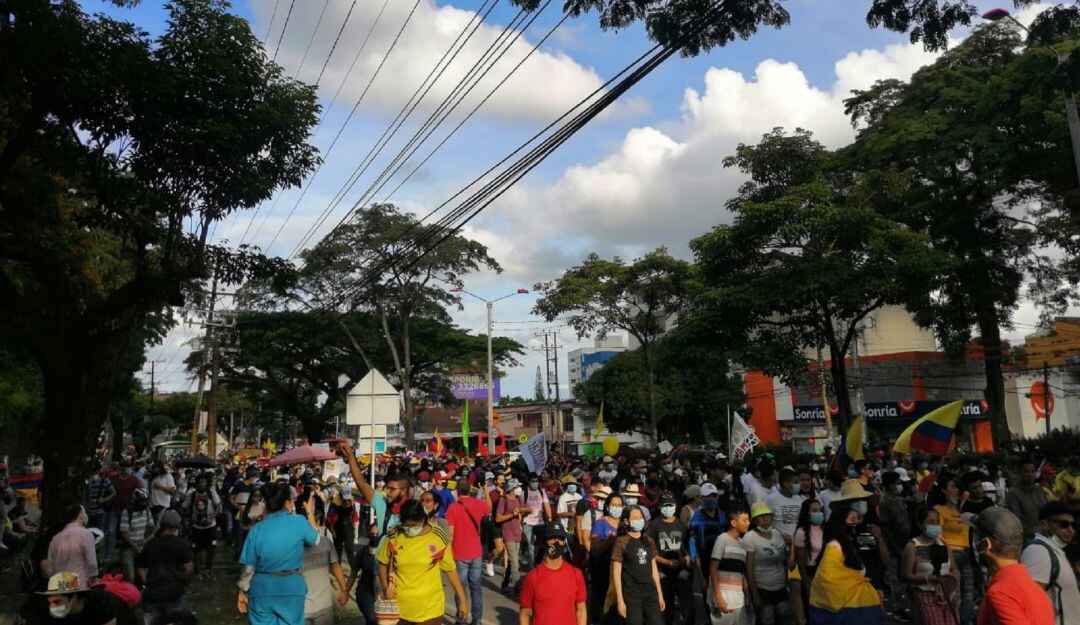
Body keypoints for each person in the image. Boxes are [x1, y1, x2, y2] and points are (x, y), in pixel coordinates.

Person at [236, 482, 321, 625]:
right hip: (292, 589)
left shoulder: (257, 529)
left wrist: (242, 592)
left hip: (261, 590)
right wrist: (309, 513)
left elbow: (248, 567)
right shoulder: (299, 522)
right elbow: (316, 539)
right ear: (287, 503)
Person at [376, 500, 468, 625]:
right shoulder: (394, 535)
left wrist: (462, 599)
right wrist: (385, 587)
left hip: (430, 610)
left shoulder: (438, 536)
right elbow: (382, 563)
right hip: (399, 610)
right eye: (406, 525)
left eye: (414, 525)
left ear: (422, 520)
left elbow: (450, 569)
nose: (410, 529)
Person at [971, 507, 1053, 625]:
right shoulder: (1039, 593)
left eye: (975, 537)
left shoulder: (1000, 594)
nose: (973, 542)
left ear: (986, 544)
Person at [808, 500, 883, 625]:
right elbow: (829, 581)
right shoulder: (835, 546)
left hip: (861, 606)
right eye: (852, 519)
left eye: (858, 518)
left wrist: (879, 538)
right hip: (847, 612)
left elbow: (874, 560)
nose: (856, 522)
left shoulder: (863, 535)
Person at [1019, 502, 1080, 625]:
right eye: (1064, 524)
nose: (1071, 530)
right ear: (1044, 524)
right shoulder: (1038, 551)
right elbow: (1031, 602)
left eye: (1073, 525)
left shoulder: (1054, 550)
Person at [519, 522, 587, 625]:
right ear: (544, 541)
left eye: (560, 538)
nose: (557, 541)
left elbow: (581, 610)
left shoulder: (576, 574)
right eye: (552, 537)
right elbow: (524, 614)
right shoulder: (533, 577)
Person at [901, 505, 959, 625]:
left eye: (937, 521)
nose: (936, 525)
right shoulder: (913, 546)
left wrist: (954, 576)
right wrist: (927, 579)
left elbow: (954, 568)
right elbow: (905, 575)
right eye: (931, 522)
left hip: (947, 594)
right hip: (925, 595)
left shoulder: (944, 544)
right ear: (920, 524)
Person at [932, 474, 976, 625]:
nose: (956, 490)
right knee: (953, 595)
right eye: (952, 487)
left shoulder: (961, 512)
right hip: (950, 554)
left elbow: (967, 493)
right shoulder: (938, 509)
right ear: (943, 491)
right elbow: (934, 534)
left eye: (957, 487)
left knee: (968, 595)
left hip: (966, 554)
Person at [445, 479, 490, 625]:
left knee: (460, 589)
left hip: (460, 553)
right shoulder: (478, 503)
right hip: (476, 552)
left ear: (457, 491)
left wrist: (446, 553)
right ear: (470, 491)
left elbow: (450, 534)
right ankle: (477, 619)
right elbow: (489, 508)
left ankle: (461, 619)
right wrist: (486, 490)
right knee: (476, 588)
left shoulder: (453, 508)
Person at [138, 510, 194, 625]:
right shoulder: (182, 544)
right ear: (176, 527)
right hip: (175, 593)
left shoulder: (151, 544)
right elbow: (189, 568)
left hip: (153, 594)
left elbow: (141, 568)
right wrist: (184, 583)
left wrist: (148, 583)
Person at [612, 505, 665, 625]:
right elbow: (616, 572)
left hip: (650, 592)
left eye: (640, 517)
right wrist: (620, 600)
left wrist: (660, 594)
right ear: (626, 521)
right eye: (635, 518)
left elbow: (654, 569)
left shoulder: (648, 540)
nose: (639, 520)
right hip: (631, 593)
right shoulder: (621, 541)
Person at [299, 500, 348, 625]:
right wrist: (344, 590)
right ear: (319, 523)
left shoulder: (295, 546)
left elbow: (336, 566)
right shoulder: (326, 542)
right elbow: (336, 567)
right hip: (321, 605)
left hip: (303, 606)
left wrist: (344, 590)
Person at [21, 571, 135, 625]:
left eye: (58, 601)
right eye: (50, 602)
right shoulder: (52, 613)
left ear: (74, 597)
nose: (53, 606)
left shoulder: (102, 604)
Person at [648, 491, 693, 625]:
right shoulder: (654, 525)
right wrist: (665, 562)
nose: (668, 508)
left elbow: (687, 548)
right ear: (660, 507)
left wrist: (685, 560)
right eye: (665, 505)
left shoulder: (681, 524)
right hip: (662, 572)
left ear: (675, 505)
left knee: (688, 608)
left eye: (670, 505)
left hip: (681, 571)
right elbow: (650, 551)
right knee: (666, 611)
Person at [744, 501, 791, 625]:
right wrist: (755, 595)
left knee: (785, 619)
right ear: (754, 520)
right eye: (760, 516)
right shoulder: (750, 538)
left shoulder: (777, 533)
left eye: (767, 515)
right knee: (767, 620)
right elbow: (749, 568)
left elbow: (784, 557)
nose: (765, 519)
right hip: (763, 590)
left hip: (781, 587)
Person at [709, 503, 751, 625]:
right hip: (724, 599)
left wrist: (747, 595)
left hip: (739, 600)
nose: (748, 523)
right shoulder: (722, 539)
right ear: (734, 523)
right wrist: (719, 598)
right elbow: (713, 569)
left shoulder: (743, 544)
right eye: (744, 520)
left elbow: (741, 573)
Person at [588, 494, 624, 625]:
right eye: (614, 505)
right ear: (608, 507)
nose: (617, 508)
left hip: (621, 570)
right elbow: (595, 549)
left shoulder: (625, 523)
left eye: (619, 505)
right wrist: (610, 540)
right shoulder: (600, 523)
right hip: (603, 570)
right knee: (601, 600)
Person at [46, 505, 98, 584]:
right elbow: (92, 562)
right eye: (84, 512)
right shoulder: (86, 534)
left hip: (60, 585)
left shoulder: (56, 538)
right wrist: (93, 575)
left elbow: (50, 566)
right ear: (80, 515)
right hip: (79, 583)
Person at [182, 474, 220, 578]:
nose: (201, 484)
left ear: (206, 483)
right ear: (196, 484)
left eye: (203, 482)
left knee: (211, 549)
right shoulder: (192, 495)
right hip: (196, 527)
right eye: (199, 482)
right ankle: (198, 571)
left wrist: (212, 517)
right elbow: (184, 507)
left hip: (210, 527)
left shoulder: (211, 493)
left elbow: (218, 506)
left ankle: (208, 569)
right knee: (197, 549)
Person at [118, 489, 155, 585]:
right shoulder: (127, 512)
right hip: (129, 547)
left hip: (142, 545)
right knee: (130, 577)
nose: (143, 504)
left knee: (147, 574)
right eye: (141, 502)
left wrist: (145, 541)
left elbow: (152, 530)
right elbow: (124, 534)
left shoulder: (147, 511)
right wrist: (136, 547)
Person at [495, 479, 527, 594]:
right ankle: (517, 586)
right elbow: (498, 518)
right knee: (514, 561)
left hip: (517, 532)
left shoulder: (519, 499)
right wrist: (511, 514)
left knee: (512, 561)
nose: (519, 489)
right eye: (517, 487)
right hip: (508, 533)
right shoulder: (503, 500)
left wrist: (527, 511)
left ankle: (505, 584)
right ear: (512, 489)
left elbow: (522, 511)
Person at [1005, 459, 1048, 542]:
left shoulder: (1040, 490)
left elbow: (1047, 513)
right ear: (1019, 473)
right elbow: (1017, 523)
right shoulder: (1013, 493)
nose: (1030, 474)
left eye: (1033, 471)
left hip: (1045, 536)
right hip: (1027, 540)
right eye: (1026, 471)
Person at [766, 469, 805, 537]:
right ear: (785, 483)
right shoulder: (771, 499)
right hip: (778, 540)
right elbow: (767, 523)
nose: (799, 485)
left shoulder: (799, 499)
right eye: (795, 482)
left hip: (796, 540)